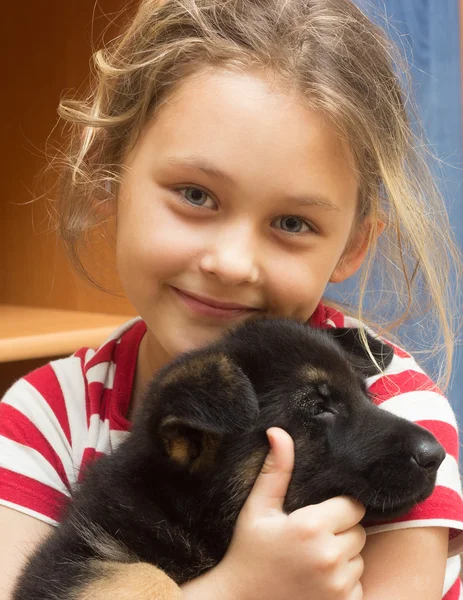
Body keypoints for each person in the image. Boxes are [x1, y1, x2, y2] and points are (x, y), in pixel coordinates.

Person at [1, 0, 462, 597]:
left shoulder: (397, 409)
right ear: (108, 178)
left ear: (352, 246)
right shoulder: (44, 418)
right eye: (196, 194)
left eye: (293, 222)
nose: (231, 264)